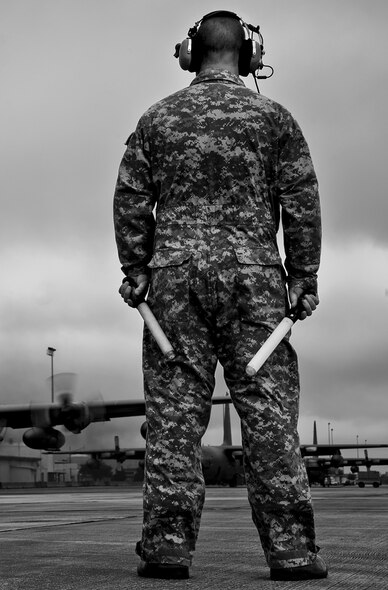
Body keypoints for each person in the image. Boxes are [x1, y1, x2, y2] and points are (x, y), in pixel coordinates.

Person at [113, 10, 326, 581]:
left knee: (174, 420)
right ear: (250, 55)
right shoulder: (273, 118)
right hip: (254, 282)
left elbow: (131, 198)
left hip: (174, 285)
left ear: (190, 52)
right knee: (269, 416)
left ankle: (166, 548)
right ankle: (292, 553)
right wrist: (303, 278)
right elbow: (301, 200)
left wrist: (136, 270)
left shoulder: (157, 120)